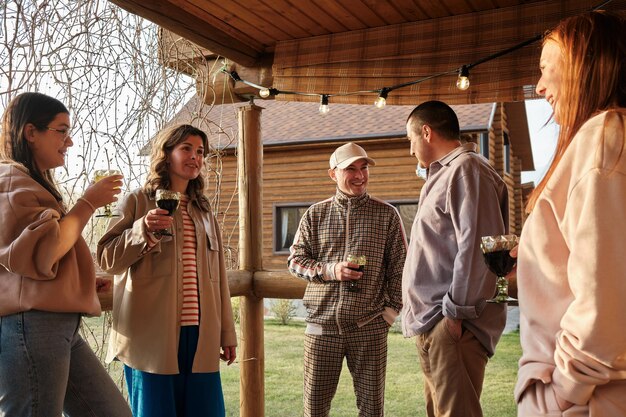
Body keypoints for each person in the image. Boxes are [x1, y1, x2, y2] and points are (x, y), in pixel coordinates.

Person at [514, 11, 626, 416]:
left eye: (547, 69)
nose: (540, 86)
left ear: (587, 63)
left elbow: (607, 296)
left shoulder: (604, 137)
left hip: (586, 399)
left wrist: (564, 392)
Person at [0, 92, 131, 416]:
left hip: (54, 327)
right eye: (61, 130)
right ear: (31, 133)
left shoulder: (31, 184)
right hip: (33, 327)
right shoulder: (12, 183)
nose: (69, 142)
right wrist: (88, 203)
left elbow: (42, 257)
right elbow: (46, 252)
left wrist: (82, 281)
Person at [97, 124, 237, 417]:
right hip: (151, 337)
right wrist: (141, 229)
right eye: (186, 148)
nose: (195, 157)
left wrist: (227, 333)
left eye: (200, 152)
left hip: (201, 336)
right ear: (167, 153)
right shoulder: (137, 200)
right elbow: (107, 258)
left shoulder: (204, 210)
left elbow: (219, 277)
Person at [402, 100, 509, 417]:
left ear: (426, 132)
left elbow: (477, 249)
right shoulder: (442, 176)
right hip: (436, 325)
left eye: (410, 140)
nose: (410, 150)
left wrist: (454, 316)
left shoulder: (466, 171)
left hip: (452, 326)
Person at [287, 142, 407, 417]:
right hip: (322, 328)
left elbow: (401, 267)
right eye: (350, 169)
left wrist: (389, 313)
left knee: (371, 411)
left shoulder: (387, 214)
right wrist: (330, 270)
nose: (360, 175)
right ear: (333, 174)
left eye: (364, 168)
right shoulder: (315, 214)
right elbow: (294, 262)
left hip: (369, 328)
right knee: (314, 410)